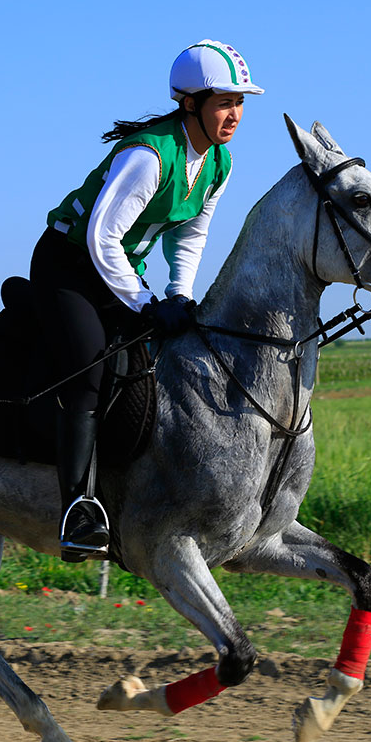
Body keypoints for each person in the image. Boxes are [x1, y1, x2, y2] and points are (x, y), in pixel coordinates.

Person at [29, 40, 264, 562]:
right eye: (225, 102)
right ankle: (77, 511)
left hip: (117, 269)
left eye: (239, 103)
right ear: (190, 103)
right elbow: (100, 238)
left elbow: (192, 232)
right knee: (91, 369)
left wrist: (179, 293)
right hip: (68, 265)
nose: (235, 114)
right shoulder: (147, 155)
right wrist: (144, 303)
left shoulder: (218, 162)